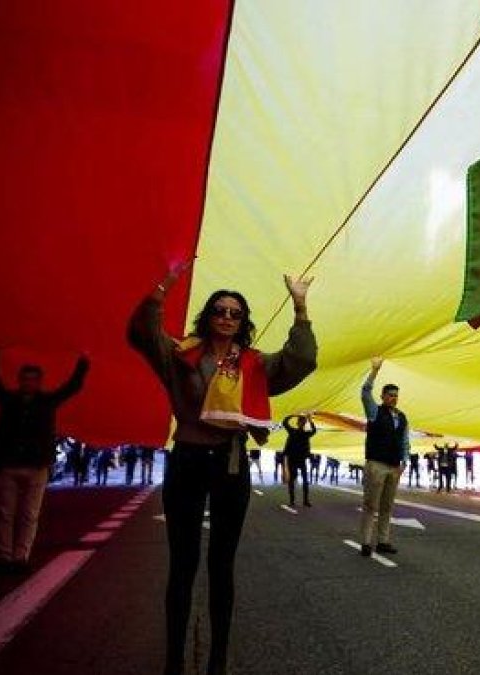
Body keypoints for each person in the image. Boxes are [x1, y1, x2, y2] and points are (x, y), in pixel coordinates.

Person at [128, 262, 315, 675]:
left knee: (221, 564)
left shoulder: (254, 365)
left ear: (243, 321)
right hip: (188, 462)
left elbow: (300, 360)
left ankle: (217, 659)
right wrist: (163, 286)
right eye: (220, 310)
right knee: (182, 564)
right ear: (207, 316)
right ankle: (174, 659)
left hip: (230, 464)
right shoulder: (181, 355)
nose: (227, 317)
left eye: (235, 313)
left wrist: (300, 308)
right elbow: (141, 333)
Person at [0, 347, 89, 573]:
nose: (29, 382)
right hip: (9, 464)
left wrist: (83, 362)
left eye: (33, 379)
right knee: (6, 513)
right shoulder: (8, 400)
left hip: (37, 465)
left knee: (29, 515)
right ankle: (5, 557)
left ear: (39, 382)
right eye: (25, 378)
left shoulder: (47, 402)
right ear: (20, 380)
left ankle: (20, 557)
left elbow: (72, 387)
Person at [359, 356, 409, 557]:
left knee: (387, 506)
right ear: (382, 396)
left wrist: (404, 461)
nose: (393, 398)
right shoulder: (374, 412)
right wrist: (374, 371)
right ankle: (365, 542)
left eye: (396, 395)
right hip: (376, 464)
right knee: (371, 505)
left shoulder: (402, 417)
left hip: (394, 466)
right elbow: (364, 392)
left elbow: (405, 440)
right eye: (390, 395)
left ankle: (383, 541)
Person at [282, 414, 316, 507]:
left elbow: (314, 431)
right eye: (301, 421)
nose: (302, 423)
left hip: (301, 460)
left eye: (303, 422)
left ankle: (305, 501)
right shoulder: (292, 431)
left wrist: (310, 420)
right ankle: (292, 500)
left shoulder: (306, 434)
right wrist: (292, 415)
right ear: (297, 423)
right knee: (292, 480)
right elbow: (284, 422)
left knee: (305, 480)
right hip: (292, 460)